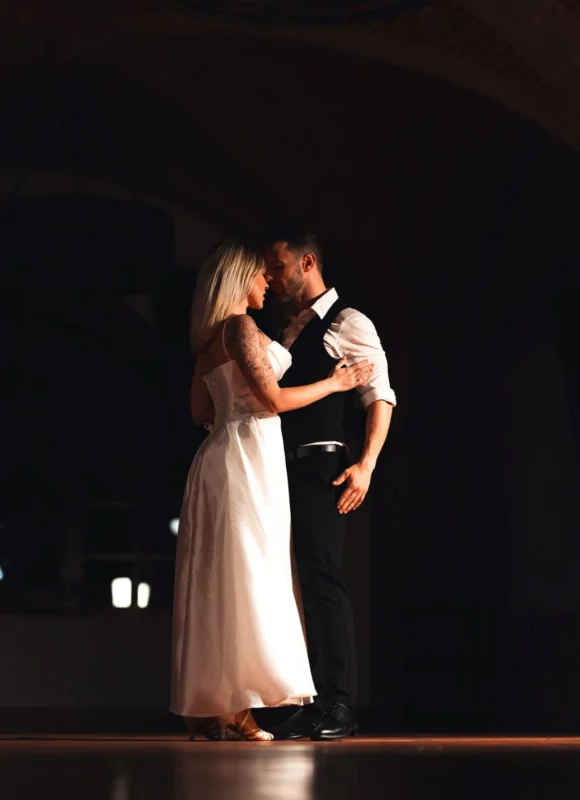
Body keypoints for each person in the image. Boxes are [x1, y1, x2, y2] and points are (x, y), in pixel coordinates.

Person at [170, 240, 374, 741]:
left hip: (224, 450)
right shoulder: (239, 326)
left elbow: (200, 412)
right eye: (260, 275)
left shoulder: (206, 340)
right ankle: (238, 706)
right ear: (239, 279)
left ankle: (216, 705)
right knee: (250, 573)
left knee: (224, 576)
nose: (267, 282)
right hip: (246, 458)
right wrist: (336, 383)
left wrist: (229, 409)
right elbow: (274, 399)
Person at [263, 227, 396, 741]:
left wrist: (366, 464)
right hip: (283, 467)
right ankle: (310, 699)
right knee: (295, 587)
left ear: (307, 263)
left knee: (322, 580)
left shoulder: (348, 322)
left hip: (323, 466)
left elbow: (378, 395)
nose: (271, 277)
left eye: (277, 267)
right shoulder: (293, 326)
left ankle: (339, 703)